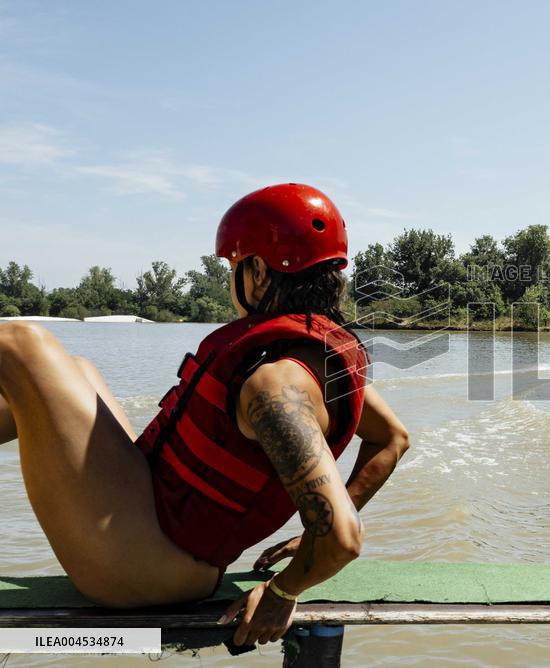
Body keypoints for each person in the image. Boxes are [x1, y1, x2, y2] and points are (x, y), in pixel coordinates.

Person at [0, 184, 410, 648]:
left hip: (144, 567)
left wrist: (285, 589)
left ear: (257, 272)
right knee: (77, 371)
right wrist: (312, 535)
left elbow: (342, 538)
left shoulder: (274, 385)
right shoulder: (315, 357)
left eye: (233, 267)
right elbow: (391, 438)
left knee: (17, 343)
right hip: (156, 526)